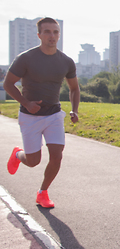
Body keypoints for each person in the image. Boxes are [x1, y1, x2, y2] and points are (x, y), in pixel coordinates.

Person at [4, 17, 80, 208]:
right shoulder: (26, 58)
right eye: (47, 32)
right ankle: (17, 155)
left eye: (55, 32)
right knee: (33, 161)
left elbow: (74, 88)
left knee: (57, 155)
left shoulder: (66, 62)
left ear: (59, 35)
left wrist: (74, 109)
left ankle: (42, 192)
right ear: (39, 35)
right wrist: (26, 103)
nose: (52, 36)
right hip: (29, 116)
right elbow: (8, 84)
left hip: (54, 115)